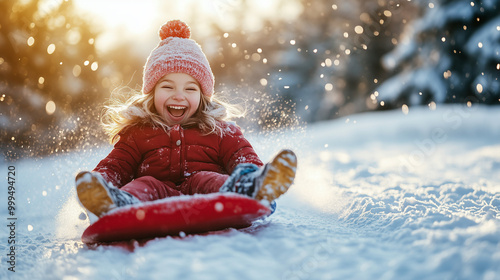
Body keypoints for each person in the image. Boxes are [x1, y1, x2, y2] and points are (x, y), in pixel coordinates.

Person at [75, 20, 297, 218]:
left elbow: (243, 157)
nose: (179, 95)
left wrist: (253, 174)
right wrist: (101, 183)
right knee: (144, 184)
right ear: (151, 93)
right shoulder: (138, 133)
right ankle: (114, 205)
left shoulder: (220, 131)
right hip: (153, 199)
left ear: (202, 97)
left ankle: (252, 190)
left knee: (208, 179)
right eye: (167, 86)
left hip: (207, 195)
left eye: (190, 88)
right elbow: (116, 165)